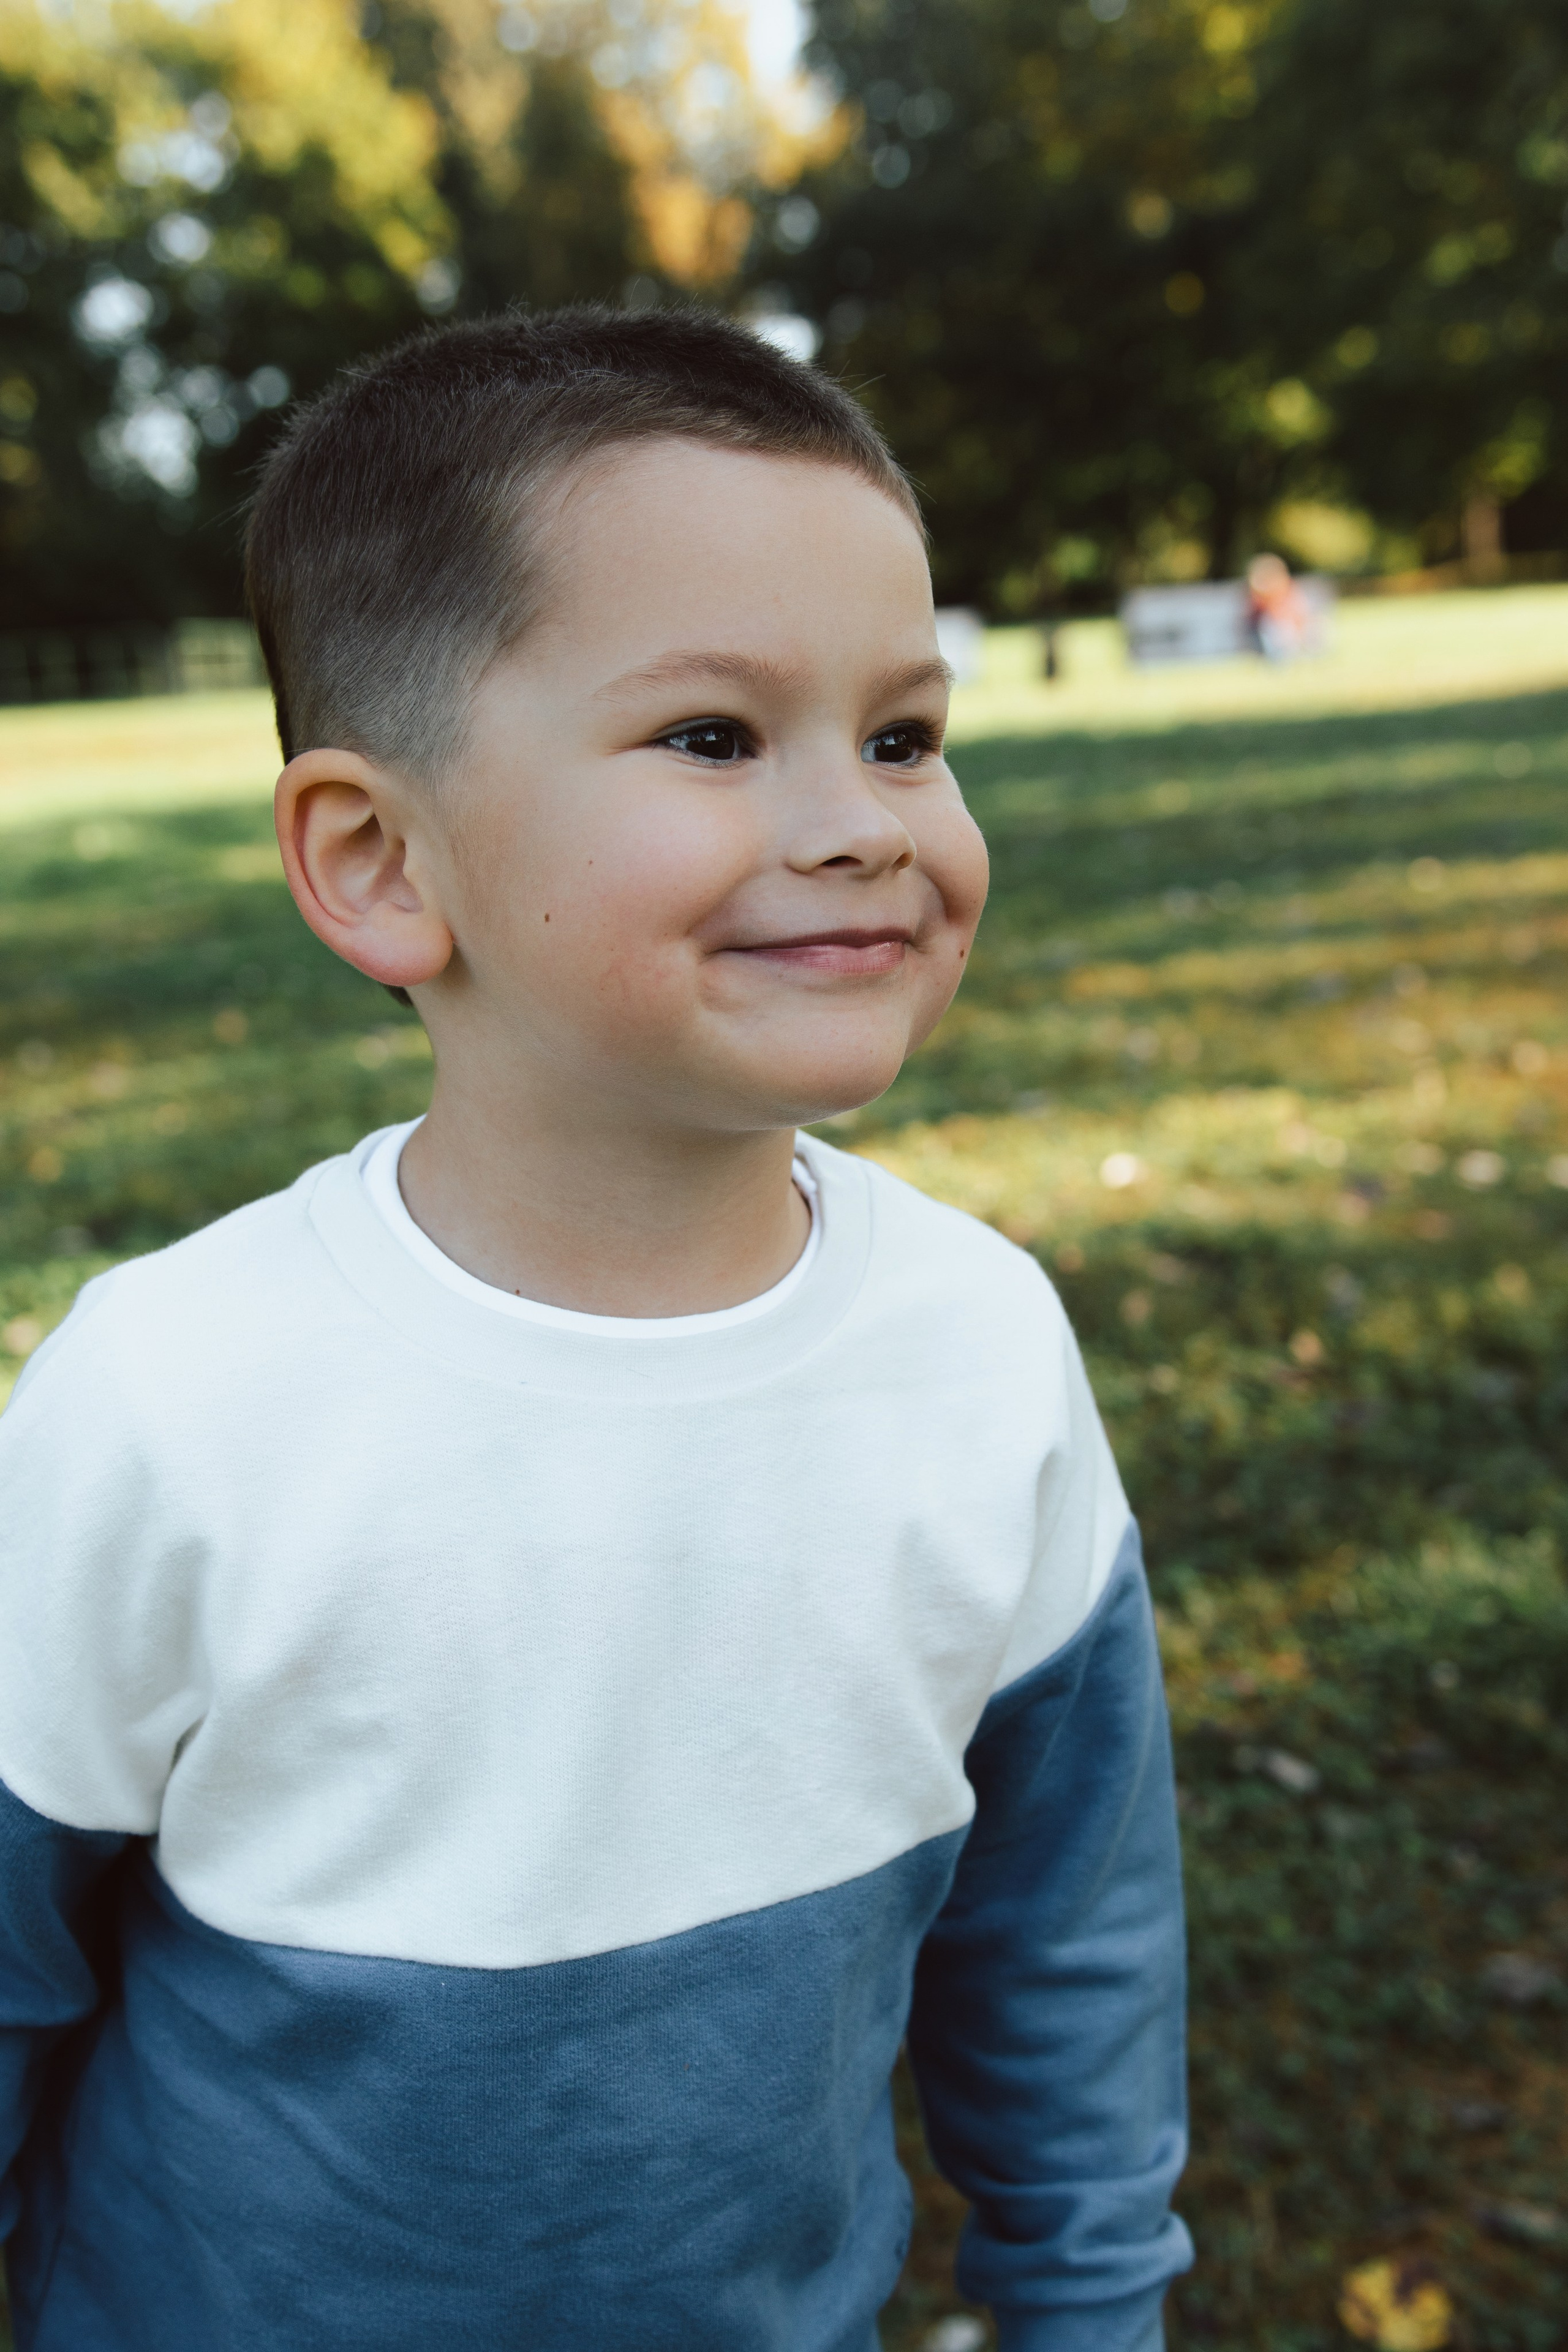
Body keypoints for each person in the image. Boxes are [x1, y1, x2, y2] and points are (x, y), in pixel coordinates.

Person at [0, 307, 1191, 2350]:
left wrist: (1088, 2303)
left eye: (904, 733)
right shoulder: (175, 1401)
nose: (865, 823)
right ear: (380, 862)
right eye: (717, 739)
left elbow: (1065, 1930)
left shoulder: (984, 1353)